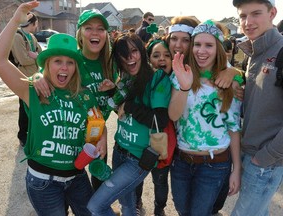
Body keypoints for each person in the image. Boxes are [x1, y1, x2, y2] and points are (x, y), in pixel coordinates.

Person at [0, 1, 108, 215]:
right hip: (44, 183)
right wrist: (14, 21)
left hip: (77, 178)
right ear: (47, 64)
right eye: (57, 61)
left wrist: (101, 138)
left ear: (76, 67)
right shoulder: (34, 91)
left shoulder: (85, 96)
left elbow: (98, 125)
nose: (64, 67)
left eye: (70, 62)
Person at [86, 32, 171, 215]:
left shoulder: (158, 79)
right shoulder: (125, 80)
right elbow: (123, 114)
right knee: (127, 205)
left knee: (95, 206)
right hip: (119, 151)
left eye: (134, 51)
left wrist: (129, 105)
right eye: (123, 53)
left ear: (142, 50)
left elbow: (159, 121)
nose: (129, 57)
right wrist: (113, 92)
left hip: (138, 159)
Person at [32, 8, 115, 192]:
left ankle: (97, 207)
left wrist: (113, 90)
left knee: (98, 172)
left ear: (106, 34)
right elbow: (52, 68)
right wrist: (37, 76)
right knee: (71, 174)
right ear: (80, 33)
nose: (95, 32)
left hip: (97, 129)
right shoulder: (72, 59)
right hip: (71, 130)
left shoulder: (111, 63)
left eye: (100, 28)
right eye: (88, 27)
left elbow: (119, 97)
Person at [168, 20, 242, 216]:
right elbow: (173, 115)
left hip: (215, 163)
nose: (202, 51)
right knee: (182, 210)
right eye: (197, 44)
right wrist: (185, 86)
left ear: (218, 49)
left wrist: (236, 169)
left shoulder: (229, 83)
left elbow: (234, 128)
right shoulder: (181, 74)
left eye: (209, 45)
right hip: (182, 161)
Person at [231, 0, 283, 215]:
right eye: (243, 16)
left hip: (265, 160)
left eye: (256, 14)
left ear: (272, 13)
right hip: (250, 151)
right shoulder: (252, 51)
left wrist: (266, 156)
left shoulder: (280, 52)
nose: (248, 22)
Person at [135, 38, 173, 216]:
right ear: (149, 58)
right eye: (156, 55)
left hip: (163, 139)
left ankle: (159, 208)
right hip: (141, 136)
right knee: (138, 176)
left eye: (167, 55)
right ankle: (136, 202)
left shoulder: (178, 79)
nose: (162, 59)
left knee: (160, 179)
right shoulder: (141, 79)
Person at [11, 11, 42, 147]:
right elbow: (23, 59)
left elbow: (41, 54)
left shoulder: (31, 36)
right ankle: (22, 135)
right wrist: (35, 57)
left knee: (33, 106)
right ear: (33, 23)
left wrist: (36, 56)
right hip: (23, 77)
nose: (37, 26)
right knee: (24, 108)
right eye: (36, 24)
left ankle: (31, 132)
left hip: (35, 76)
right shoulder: (17, 36)